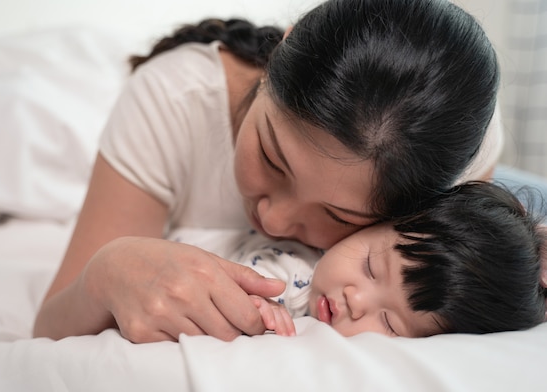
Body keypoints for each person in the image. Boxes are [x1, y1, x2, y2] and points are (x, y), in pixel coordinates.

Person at [33, 0, 504, 342]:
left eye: (339, 216)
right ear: (280, 50)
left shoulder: (460, 155)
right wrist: (105, 273)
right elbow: (49, 328)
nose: (275, 221)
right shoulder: (174, 101)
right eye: (272, 159)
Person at [171, 182, 547, 338]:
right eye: (370, 267)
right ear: (379, 220)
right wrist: (257, 306)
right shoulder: (290, 273)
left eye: (390, 323)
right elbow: (223, 287)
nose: (356, 299)